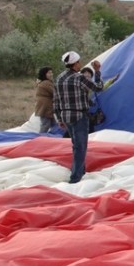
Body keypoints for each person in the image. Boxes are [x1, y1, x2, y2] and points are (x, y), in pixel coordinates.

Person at [53, 51, 103, 183]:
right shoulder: (79, 78)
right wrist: (97, 72)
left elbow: (56, 100)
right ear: (75, 64)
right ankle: (75, 177)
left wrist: (59, 118)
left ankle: (81, 171)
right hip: (79, 115)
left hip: (66, 115)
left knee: (76, 145)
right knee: (80, 147)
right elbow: (98, 88)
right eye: (79, 62)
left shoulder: (59, 78)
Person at [35, 66, 55, 133]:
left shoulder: (44, 82)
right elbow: (55, 92)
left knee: (53, 124)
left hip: (45, 107)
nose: (51, 74)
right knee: (46, 125)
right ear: (44, 74)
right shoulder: (46, 83)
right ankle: (41, 139)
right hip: (45, 108)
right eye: (49, 73)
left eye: (51, 73)